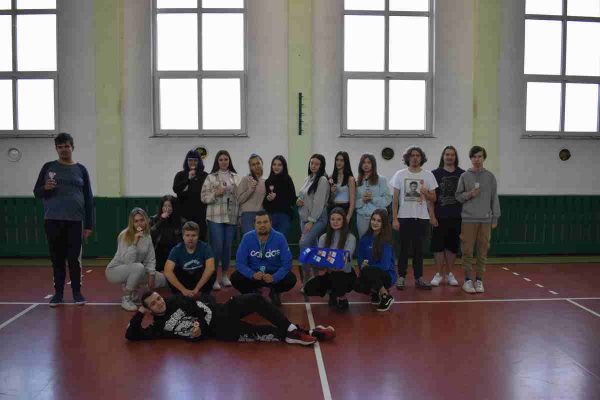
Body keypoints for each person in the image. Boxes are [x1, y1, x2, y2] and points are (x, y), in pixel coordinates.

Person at [125, 291, 336, 346]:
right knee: (260, 333)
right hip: (221, 332)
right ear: (149, 310)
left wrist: (199, 327)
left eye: (158, 298)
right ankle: (308, 332)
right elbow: (131, 335)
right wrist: (139, 312)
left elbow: (200, 307)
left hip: (221, 312)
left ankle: (291, 330)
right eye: (153, 304)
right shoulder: (158, 328)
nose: (159, 302)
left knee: (255, 299)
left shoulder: (175, 300)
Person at [33, 132, 95, 307]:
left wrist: (89, 224)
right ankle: (58, 294)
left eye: (66, 146)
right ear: (56, 149)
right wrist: (45, 188)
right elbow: (37, 192)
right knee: (57, 259)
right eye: (60, 147)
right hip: (52, 220)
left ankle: (77, 293)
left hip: (75, 221)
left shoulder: (81, 169)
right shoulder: (48, 167)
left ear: (72, 147)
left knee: (74, 259)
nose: (63, 150)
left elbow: (88, 198)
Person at [391, 146, 438, 290]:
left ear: (421, 158)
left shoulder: (428, 175)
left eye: (418, 155)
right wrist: (394, 218)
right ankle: (401, 277)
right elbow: (395, 199)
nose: (415, 158)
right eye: (412, 155)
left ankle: (419, 278)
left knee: (419, 250)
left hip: (422, 218)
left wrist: (426, 193)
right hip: (404, 217)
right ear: (408, 158)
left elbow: (433, 198)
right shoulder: (400, 174)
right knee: (403, 249)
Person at [455, 146, 501, 294]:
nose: (477, 159)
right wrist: (470, 194)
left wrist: (495, 217)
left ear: (483, 158)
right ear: (470, 158)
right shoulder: (464, 176)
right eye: (474, 157)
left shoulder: (490, 177)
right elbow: (458, 196)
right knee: (467, 251)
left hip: (485, 220)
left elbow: (494, 198)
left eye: (480, 156)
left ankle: (479, 280)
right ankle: (468, 280)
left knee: (482, 251)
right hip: (468, 219)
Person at [106, 208, 168, 311]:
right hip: (114, 271)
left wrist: (151, 276)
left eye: (142, 220)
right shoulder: (124, 235)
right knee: (139, 267)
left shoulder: (147, 236)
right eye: (136, 221)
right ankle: (126, 298)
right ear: (132, 223)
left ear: (146, 220)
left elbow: (150, 259)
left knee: (162, 280)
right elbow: (127, 261)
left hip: (135, 269)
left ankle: (133, 286)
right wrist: (134, 242)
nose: (139, 223)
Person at [230, 211, 296, 306]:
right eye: (259, 222)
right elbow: (240, 263)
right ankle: (251, 293)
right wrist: (252, 274)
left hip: (273, 273)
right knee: (235, 278)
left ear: (271, 223)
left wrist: (274, 277)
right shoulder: (247, 238)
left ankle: (275, 292)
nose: (262, 225)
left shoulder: (280, 238)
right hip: (254, 273)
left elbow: (287, 263)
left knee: (290, 279)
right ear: (254, 224)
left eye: (265, 222)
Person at [201, 150, 241, 290]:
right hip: (215, 216)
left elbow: (240, 198)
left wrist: (240, 215)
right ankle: (213, 278)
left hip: (231, 216)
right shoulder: (210, 177)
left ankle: (224, 275)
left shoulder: (236, 177)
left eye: (226, 159)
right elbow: (203, 197)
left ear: (229, 161)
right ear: (217, 162)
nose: (224, 162)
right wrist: (215, 193)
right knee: (217, 247)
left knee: (227, 247)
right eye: (221, 159)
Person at [303, 207, 357, 311]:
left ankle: (342, 297)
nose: (335, 222)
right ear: (329, 221)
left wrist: (328, 262)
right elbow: (320, 260)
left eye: (339, 219)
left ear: (344, 221)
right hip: (329, 272)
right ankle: (332, 293)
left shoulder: (351, 238)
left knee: (338, 276)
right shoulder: (323, 237)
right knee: (308, 288)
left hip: (345, 274)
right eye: (333, 219)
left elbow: (345, 260)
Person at [429, 146, 465, 287]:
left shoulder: (462, 174)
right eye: (447, 154)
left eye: (452, 155)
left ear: (455, 157)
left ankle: (450, 274)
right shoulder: (434, 174)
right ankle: (438, 274)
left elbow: (465, 197)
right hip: (439, 216)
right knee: (438, 246)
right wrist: (432, 216)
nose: (449, 157)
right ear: (443, 156)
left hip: (456, 216)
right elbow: (431, 199)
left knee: (452, 247)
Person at [354, 209, 396, 312]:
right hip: (369, 272)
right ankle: (376, 292)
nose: (375, 223)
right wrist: (362, 265)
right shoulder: (365, 239)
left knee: (369, 271)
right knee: (357, 285)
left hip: (386, 275)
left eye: (379, 221)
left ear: (383, 223)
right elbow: (360, 258)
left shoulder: (386, 240)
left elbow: (385, 266)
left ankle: (386, 296)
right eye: (373, 219)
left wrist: (367, 268)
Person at [297, 154, 330, 281]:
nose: (313, 166)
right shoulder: (308, 178)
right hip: (304, 218)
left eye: (317, 164)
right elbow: (302, 196)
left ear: (321, 166)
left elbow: (318, 203)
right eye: (312, 163)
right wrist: (298, 201)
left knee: (303, 243)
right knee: (313, 248)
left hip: (317, 218)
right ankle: (316, 279)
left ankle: (306, 279)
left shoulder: (322, 180)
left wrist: (311, 221)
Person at [163, 221, 216, 298]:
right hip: (184, 280)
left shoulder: (205, 247)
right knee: (172, 272)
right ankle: (179, 295)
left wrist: (197, 288)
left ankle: (205, 295)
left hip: (198, 278)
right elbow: (167, 271)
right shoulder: (176, 249)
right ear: (183, 237)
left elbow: (210, 268)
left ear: (198, 236)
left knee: (212, 272)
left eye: (193, 235)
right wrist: (183, 290)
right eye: (187, 235)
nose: (190, 238)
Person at [172, 149, 208, 241]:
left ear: (199, 162)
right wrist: (188, 179)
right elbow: (176, 189)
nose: (192, 163)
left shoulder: (204, 176)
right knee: (184, 240)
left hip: (200, 215)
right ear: (186, 161)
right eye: (190, 160)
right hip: (184, 216)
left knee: (200, 240)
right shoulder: (180, 175)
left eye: (195, 160)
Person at [354, 154, 392, 238]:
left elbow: (388, 199)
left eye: (369, 162)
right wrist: (362, 200)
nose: (366, 165)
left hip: (378, 218)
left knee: (378, 242)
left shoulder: (381, 179)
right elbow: (354, 203)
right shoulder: (357, 181)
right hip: (362, 218)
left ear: (373, 164)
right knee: (364, 241)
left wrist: (372, 199)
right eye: (363, 162)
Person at [149, 195, 186, 272]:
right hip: (158, 252)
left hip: (175, 253)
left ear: (174, 207)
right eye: (165, 206)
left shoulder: (182, 222)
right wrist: (161, 221)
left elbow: (184, 241)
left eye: (169, 206)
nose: (167, 208)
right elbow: (150, 235)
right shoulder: (154, 219)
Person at [263, 155, 296, 238]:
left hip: (284, 216)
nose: (276, 167)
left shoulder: (288, 180)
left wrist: (277, 197)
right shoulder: (268, 182)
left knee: (281, 239)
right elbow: (265, 204)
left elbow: (293, 199)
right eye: (274, 164)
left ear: (283, 166)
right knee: (270, 240)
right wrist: (268, 199)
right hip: (271, 216)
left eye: (279, 165)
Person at [236, 154, 266, 235]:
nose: (256, 166)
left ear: (262, 163)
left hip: (261, 215)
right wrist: (250, 190)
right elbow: (239, 200)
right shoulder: (245, 179)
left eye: (258, 163)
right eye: (253, 164)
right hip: (247, 215)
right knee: (250, 240)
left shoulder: (265, 181)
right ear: (250, 167)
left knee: (261, 240)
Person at [329, 151, 356, 223]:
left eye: (341, 160)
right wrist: (332, 192)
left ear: (346, 162)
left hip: (345, 209)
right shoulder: (331, 177)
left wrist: (348, 217)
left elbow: (352, 202)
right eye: (337, 160)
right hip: (333, 208)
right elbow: (330, 200)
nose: (339, 162)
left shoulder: (350, 179)